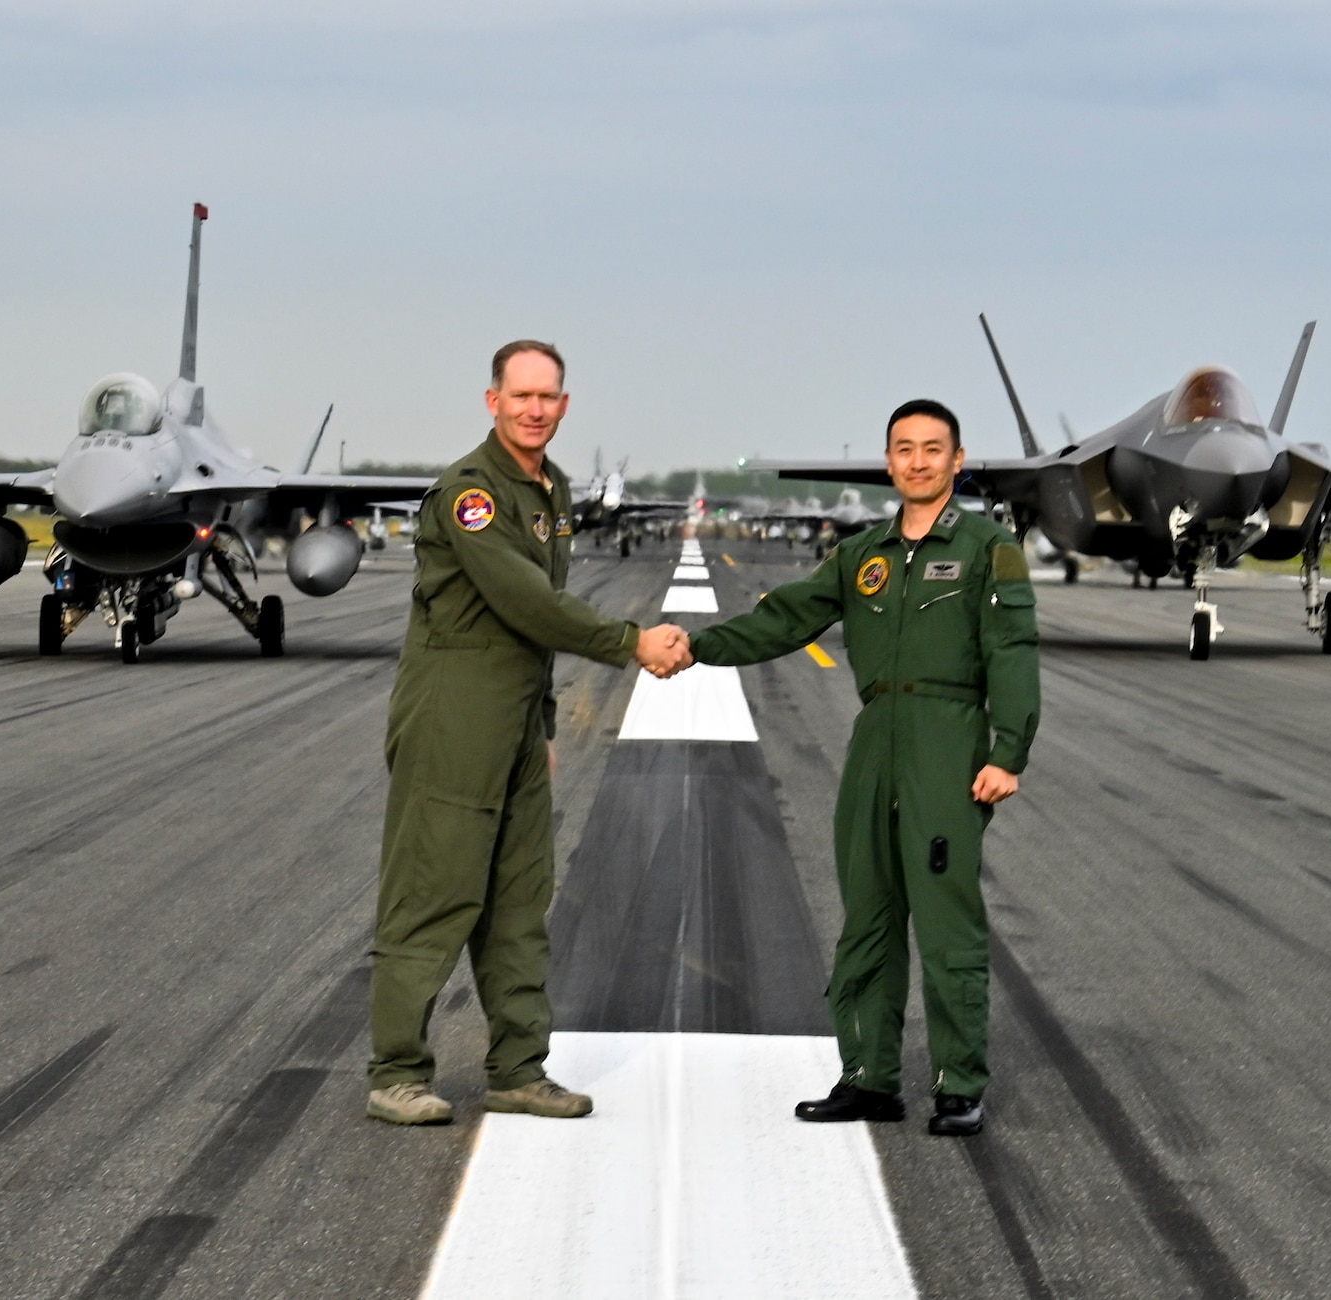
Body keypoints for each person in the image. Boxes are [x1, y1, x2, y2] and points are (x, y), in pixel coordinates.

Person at [679, 399, 1039, 1136]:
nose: (917, 461)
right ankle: (870, 1077)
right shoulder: (862, 554)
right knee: (867, 918)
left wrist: (1008, 752)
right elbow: (784, 619)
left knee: (947, 922)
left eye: (932, 449)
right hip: (875, 741)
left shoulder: (985, 547)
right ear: (888, 462)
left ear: (957, 460)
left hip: (948, 742)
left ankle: (958, 1082)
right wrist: (695, 647)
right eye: (904, 449)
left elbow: (1012, 650)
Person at [367, 340, 689, 1126]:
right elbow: (524, 599)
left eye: (549, 397)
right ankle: (396, 1073)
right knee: (433, 893)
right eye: (521, 397)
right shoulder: (471, 493)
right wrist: (631, 642)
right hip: (454, 716)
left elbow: (535, 624)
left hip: (513, 722)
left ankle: (518, 1070)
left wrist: (541, 723)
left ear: (564, 406)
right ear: (493, 402)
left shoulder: (552, 490)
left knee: (518, 903)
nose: (535, 409)